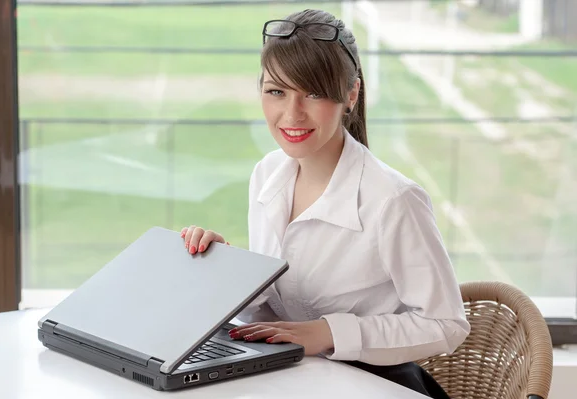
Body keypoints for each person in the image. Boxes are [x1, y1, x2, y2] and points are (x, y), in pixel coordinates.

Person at [180, 9, 470, 399]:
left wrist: (330, 333)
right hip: (291, 379)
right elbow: (271, 309)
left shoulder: (393, 200)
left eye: (313, 93)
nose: (292, 113)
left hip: (373, 386)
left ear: (350, 94)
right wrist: (226, 270)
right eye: (276, 91)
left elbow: (445, 324)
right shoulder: (267, 174)